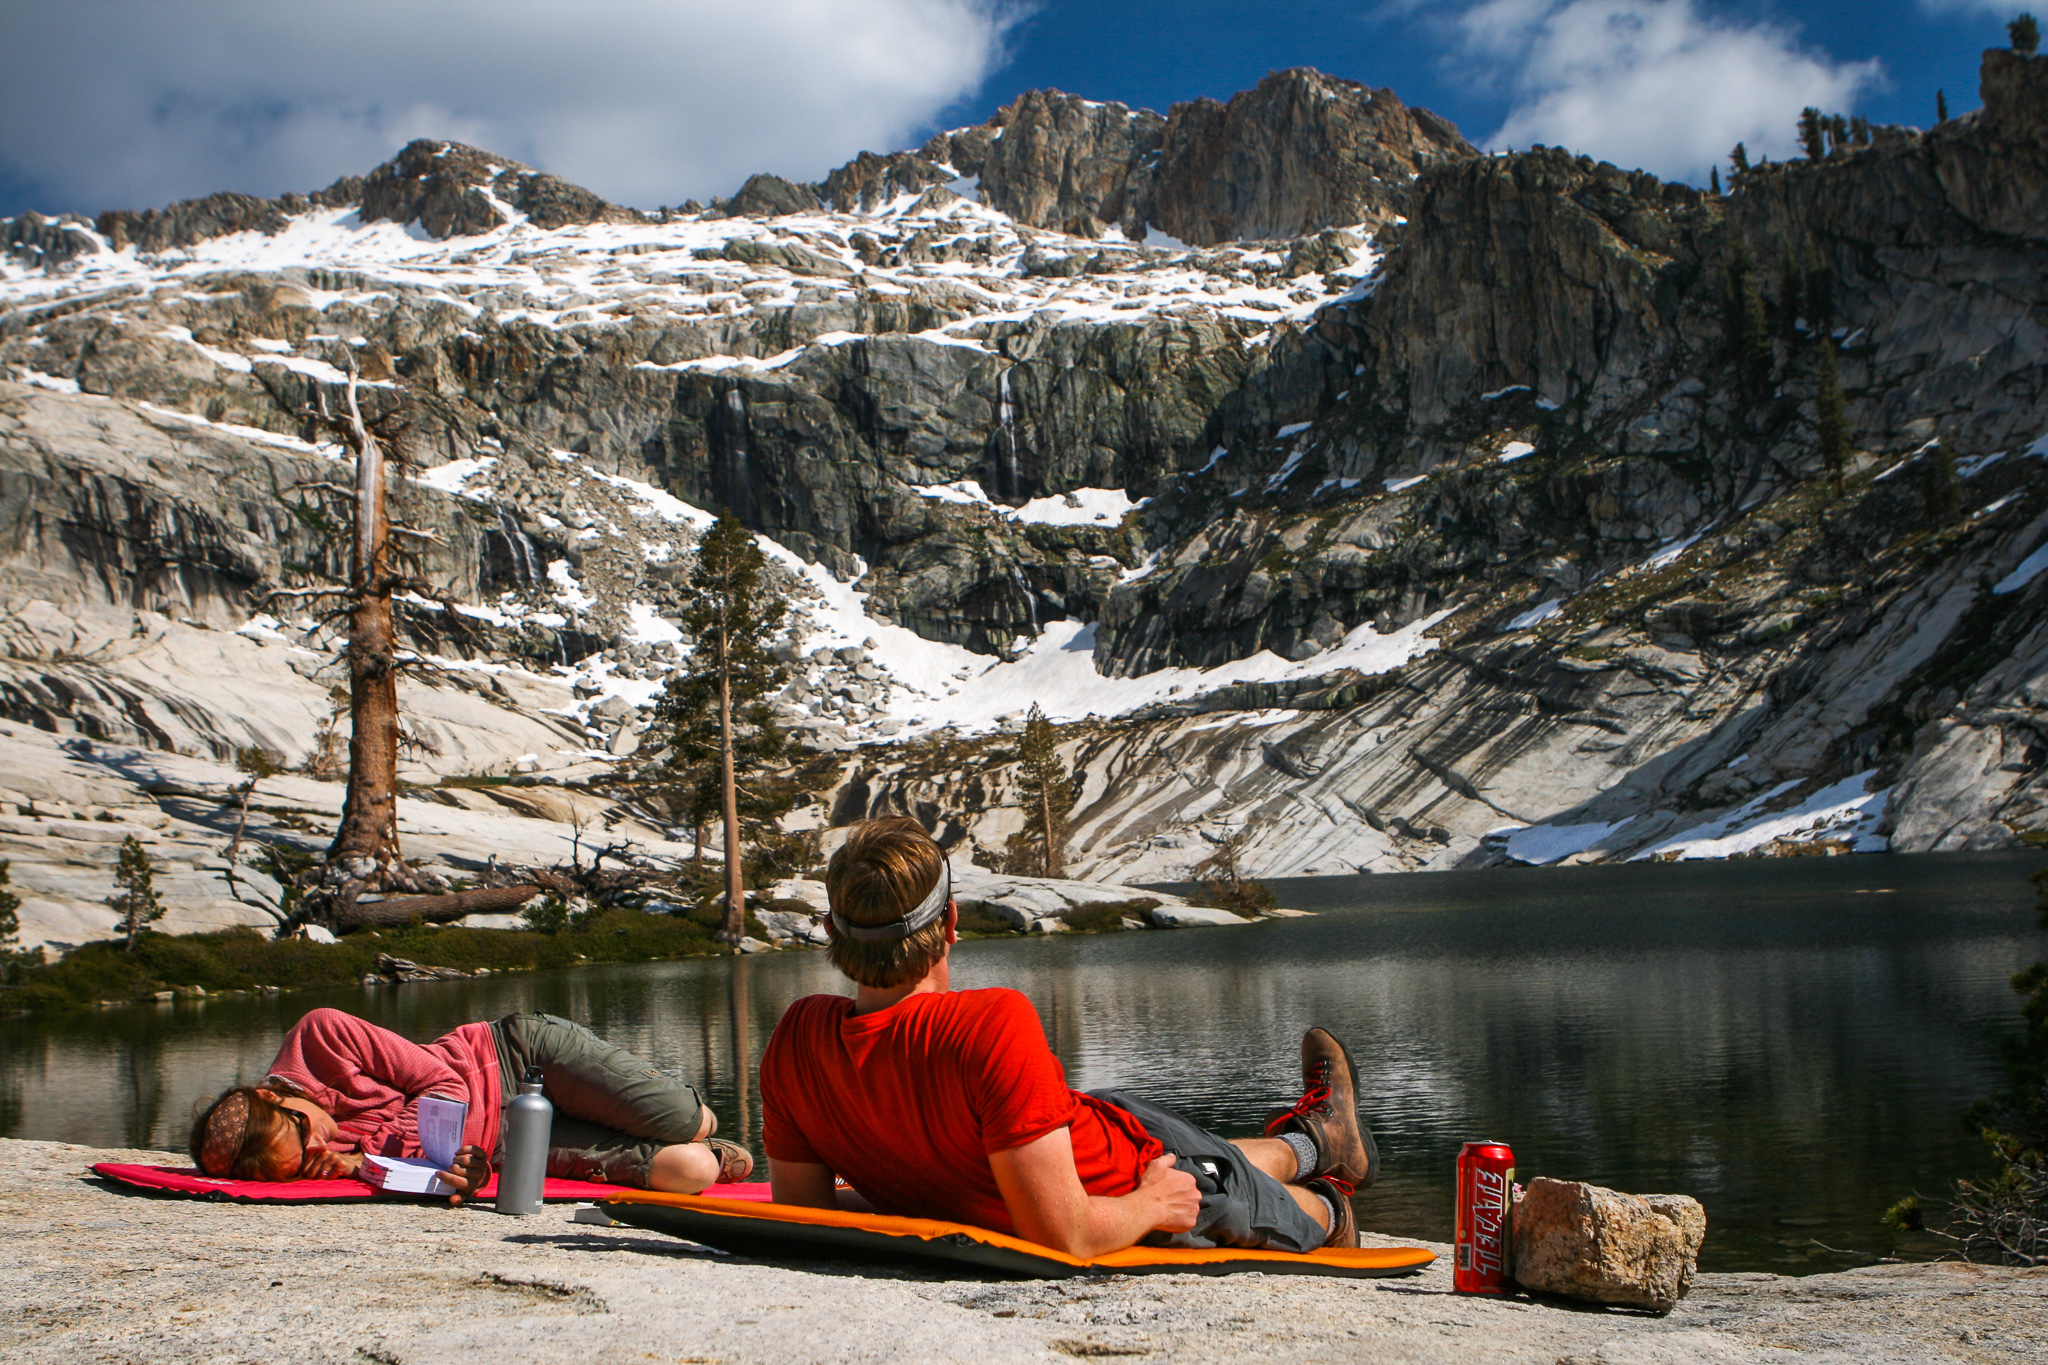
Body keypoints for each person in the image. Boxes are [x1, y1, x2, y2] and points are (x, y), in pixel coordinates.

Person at [757, 818, 1378, 1257]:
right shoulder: (989, 1023)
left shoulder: (796, 1038)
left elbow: (809, 1213)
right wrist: (1151, 1207)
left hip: (1082, 1124)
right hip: (1142, 1180)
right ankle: (1333, 1204)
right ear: (949, 922)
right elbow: (1068, 1235)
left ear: (831, 931)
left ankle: (1320, 1138)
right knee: (1230, 1184)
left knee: (1190, 1139)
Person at [190, 1008, 752, 1201]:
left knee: (688, 1119)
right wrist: (459, 1173)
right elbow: (438, 1170)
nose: (321, 1146)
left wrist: (386, 1157)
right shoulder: (306, 1159)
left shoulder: (322, 1036)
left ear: (272, 1096)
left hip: (514, 1058)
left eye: (307, 1134)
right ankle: (709, 1151)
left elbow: (444, 1084)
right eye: (304, 1161)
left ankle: (696, 1124)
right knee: (690, 1170)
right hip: (504, 1142)